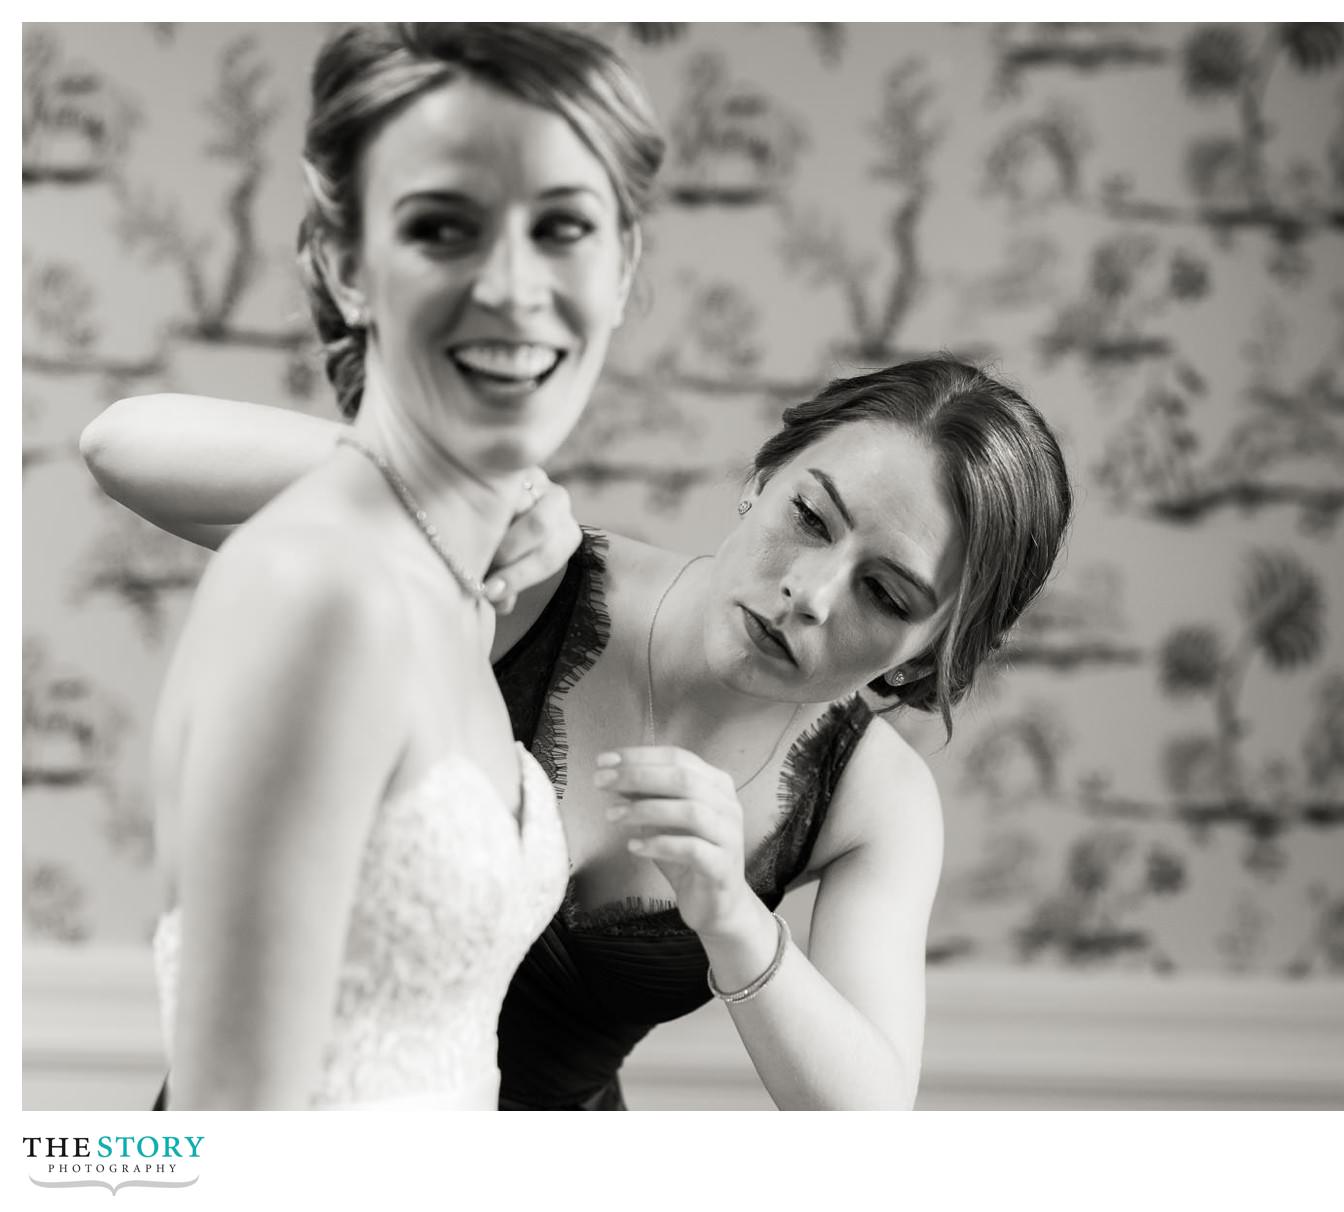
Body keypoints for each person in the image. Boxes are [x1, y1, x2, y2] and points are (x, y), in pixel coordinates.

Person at [86, 83, 1074, 1122]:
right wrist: (454, 489)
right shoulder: (525, 570)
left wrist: (733, 917)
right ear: (760, 477)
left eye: (884, 593)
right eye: (811, 517)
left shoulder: (872, 799)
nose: (811, 594)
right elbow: (126, 448)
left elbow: (867, 1119)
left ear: (929, 646)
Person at [115, 22, 664, 1108]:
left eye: (562, 227)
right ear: (344, 263)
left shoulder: (450, 593)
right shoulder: (321, 593)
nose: (512, 287)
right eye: (444, 228)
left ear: (623, 265)